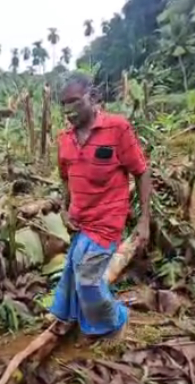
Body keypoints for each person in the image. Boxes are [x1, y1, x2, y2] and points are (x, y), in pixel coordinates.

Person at [49, 72, 152, 338]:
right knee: (73, 268)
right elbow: (65, 178)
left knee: (88, 279)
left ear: (92, 97)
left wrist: (143, 220)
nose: (68, 110)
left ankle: (115, 321)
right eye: (63, 103)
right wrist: (63, 208)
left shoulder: (117, 128)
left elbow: (141, 171)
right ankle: (69, 316)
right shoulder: (64, 139)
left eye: (74, 101)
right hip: (80, 221)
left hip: (107, 221)